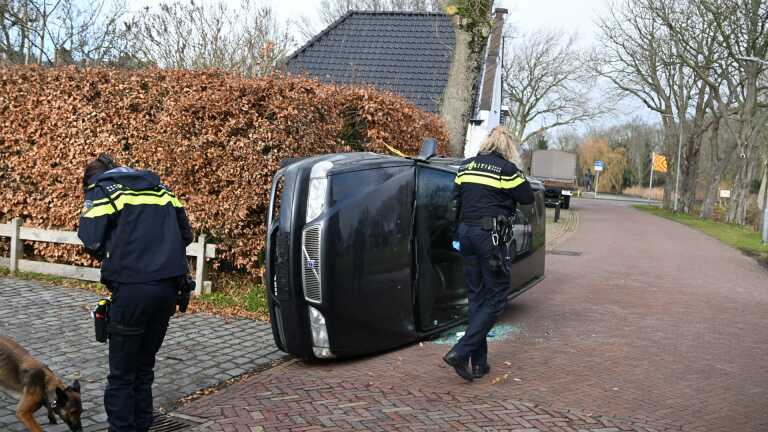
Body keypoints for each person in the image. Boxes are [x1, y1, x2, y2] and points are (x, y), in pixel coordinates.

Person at [78, 154, 194, 432]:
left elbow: (90, 238)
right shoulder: (161, 190)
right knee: (143, 370)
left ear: (91, 179)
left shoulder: (102, 190)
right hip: (168, 290)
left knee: (121, 375)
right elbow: (186, 235)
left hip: (131, 291)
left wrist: (119, 251)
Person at [443, 127, 535, 382]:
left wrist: (455, 237)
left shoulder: (466, 167)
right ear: (508, 148)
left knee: (477, 297)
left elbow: (454, 204)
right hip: (490, 239)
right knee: (496, 298)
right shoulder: (506, 170)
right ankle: (461, 351)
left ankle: (479, 363)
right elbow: (527, 197)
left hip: (466, 236)